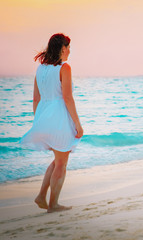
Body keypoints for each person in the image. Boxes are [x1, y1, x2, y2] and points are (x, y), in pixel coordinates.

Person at [20, 33, 83, 213]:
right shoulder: (65, 68)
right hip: (59, 118)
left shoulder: (40, 69)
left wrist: (38, 121)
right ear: (62, 48)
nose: (70, 51)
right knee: (62, 163)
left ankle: (41, 196)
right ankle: (53, 204)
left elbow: (35, 98)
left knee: (57, 160)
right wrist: (78, 124)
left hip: (44, 117)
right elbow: (68, 98)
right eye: (68, 47)